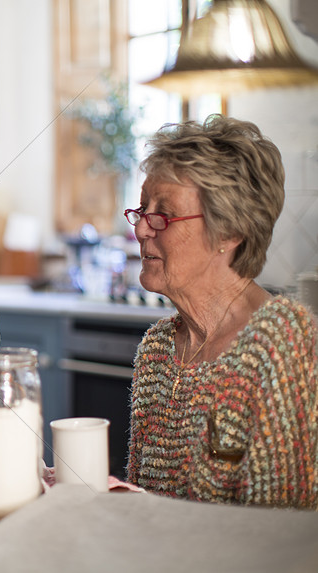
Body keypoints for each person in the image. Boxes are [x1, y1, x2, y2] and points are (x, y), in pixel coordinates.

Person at [125, 114, 317, 508]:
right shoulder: (157, 349)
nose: (142, 229)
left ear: (229, 233)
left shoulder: (281, 344)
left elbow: (278, 535)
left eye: (164, 214)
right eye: (143, 209)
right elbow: (140, 505)